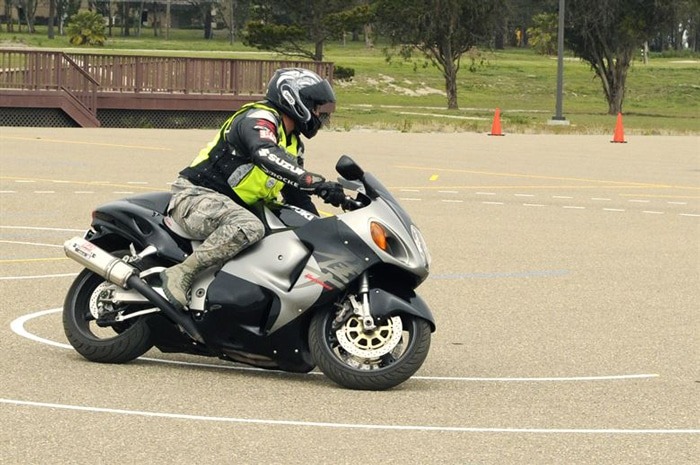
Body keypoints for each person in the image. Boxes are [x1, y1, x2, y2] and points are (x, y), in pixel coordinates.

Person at [160, 68, 345, 310]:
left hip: (235, 207)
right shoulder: (259, 118)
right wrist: (313, 181)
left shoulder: (292, 142)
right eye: (315, 106)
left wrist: (321, 227)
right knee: (248, 227)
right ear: (293, 98)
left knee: (292, 230)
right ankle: (182, 272)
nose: (318, 114)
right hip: (197, 196)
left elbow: (296, 196)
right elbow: (264, 152)